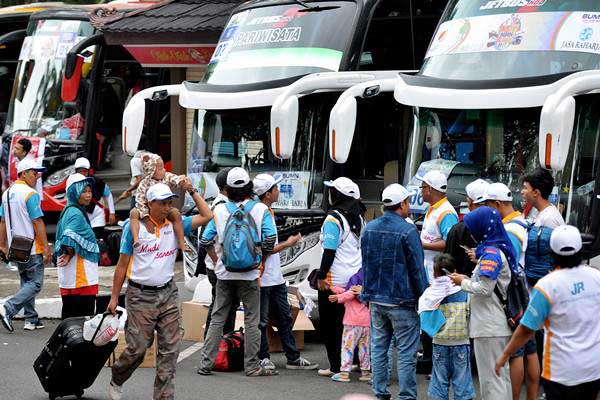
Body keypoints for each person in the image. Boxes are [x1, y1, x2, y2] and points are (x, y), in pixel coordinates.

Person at [107, 183, 212, 400]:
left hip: (168, 294)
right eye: (162, 203)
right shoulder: (132, 228)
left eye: (169, 202)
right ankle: (118, 376)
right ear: (149, 204)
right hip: (140, 296)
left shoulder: (176, 225)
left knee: (170, 349)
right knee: (138, 348)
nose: (167, 207)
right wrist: (114, 298)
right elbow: (121, 265)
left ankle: (164, 396)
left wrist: (192, 191)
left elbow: (207, 215)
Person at [495, 225, 600, 400]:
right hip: (593, 369)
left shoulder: (548, 285)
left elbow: (527, 329)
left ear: (551, 252)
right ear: (581, 250)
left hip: (561, 373)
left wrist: (505, 354)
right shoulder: (596, 277)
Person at [196, 167, 279, 377]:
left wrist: (217, 262)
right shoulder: (260, 209)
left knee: (217, 318)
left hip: (225, 274)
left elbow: (205, 240)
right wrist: (260, 259)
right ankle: (251, 366)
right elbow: (270, 239)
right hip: (250, 275)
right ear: (249, 187)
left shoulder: (221, 210)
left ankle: (206, 364)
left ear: (228, 189)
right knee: (252, 320)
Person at [362, 183, 429, 400]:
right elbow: (417, 269)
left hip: (376, 298)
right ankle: (407, 395)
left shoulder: (369, 228)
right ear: (402, 204)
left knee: (379, 347)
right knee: (406, 352)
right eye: (408, 202)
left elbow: (366, 264)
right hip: (403, 300)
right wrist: (424, 298)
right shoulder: (408, 230)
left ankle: (379, 392)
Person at [253, 173, 318, 371]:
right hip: (262, 277)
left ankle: (292, 357)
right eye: (275, 188)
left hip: (275, 276)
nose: (278, 191)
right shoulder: (260, 212)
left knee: (285, 316)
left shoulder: (267, 211)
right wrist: (289, 243)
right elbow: (266, 247)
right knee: (262, 320)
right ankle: (263, 357)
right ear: (267, 194)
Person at [449, 206, 514, 400]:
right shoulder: (492, 251)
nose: (471, 233)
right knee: (500, 377)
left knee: (491, 380)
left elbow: (484, 289)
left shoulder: (491, 254)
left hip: (489, 326)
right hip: (493, 325)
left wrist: (463, 282)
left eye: (473, 228)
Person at [484, 182, 540, 400]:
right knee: (531, 348)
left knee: (517, 351)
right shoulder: (523, 221)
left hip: (516, 296)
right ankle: (532, 396)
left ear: (497, 205)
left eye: (489, 207)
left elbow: (509, 265)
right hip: (527, 293)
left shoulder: (510, 230)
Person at [315, 177, 365, 377]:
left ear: (336, 196)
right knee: (351, 323)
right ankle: (353, 361)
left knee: (331, 325)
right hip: (354, 279)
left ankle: (336, 365)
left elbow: (329, 251)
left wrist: (320, 276)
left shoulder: (333, 219)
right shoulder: (359, 217)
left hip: (333, 280)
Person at [0, 159, 51, 332]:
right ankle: (8, 307)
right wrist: (46, 247)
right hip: (31, 245)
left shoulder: (6, 194)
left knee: (26, 281)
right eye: (33, 173)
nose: (36, 177)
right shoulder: (30, 194)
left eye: (37, 174)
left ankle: (31, 319)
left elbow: (2, 222)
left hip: (16, 245)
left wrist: (2, 245)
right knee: (35, 284)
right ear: (23, 173)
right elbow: (37, 221)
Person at [419, 254, 475, 400]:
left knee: (439, 379)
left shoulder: (430, 293)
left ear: (433, 273)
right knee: (462, 380)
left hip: (439, 342)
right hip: (461, 342)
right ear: (454, 270)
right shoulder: (464, 292)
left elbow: (422, 311)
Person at [195, 167, 238, 338]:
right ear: (227, 188)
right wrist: (218, 263)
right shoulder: (221, 207)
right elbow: (206, 241)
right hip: (219, 267)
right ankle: (214, 346)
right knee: (220, 309)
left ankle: (226, 344)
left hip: (218, 266)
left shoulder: (221, 204)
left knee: (226, 307)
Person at [55, 173, 99, 319]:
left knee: (69, 319)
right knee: (82, 321)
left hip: (72, 278)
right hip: (81, 278)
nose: (88, 195)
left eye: (89, 191)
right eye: (84, 191)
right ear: (74, 192)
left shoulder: (71, 210)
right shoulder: (76, 213)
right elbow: (68, 234)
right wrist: (69, 252)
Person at [130, 153, 189, 251]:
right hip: (147, 211)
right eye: (161, 169)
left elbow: (174, 178)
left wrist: (181, 181)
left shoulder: (166, 177)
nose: (164, 170)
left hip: (165, 209)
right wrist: (146, 219)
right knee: (133, 213)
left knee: (176, 213)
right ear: (151, 171)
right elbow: (140, 201)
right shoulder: (144, 184)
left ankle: (181, 242)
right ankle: (136, 238)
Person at [520, 167, 565, 286]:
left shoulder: (550, 218)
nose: (522, 192)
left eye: (525, 188)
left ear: (536, 192)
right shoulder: (541, 213)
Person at [328, 269, 371, 383]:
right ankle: (366, 373)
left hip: (352, 323)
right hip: (367, 323)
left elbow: (349, 293)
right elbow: (346, 291)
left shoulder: (354, 290)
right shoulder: (367, 292)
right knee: (365, 349)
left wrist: (337, 298)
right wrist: (332, 287)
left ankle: (344, 373)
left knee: (347, 348)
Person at [418, 170, 459, 282]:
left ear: (430, 189)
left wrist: (423, 245)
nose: (421, 191)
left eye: (423, 187)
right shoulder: (432, 208)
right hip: (428, 269)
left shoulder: (446, 213)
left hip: (437, 274)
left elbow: (449, 243)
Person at [445, 178, 489, 276]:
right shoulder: (498, 226)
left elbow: (447, 264)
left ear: (469, 202)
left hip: (460, 285)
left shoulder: (458, 230)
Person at [68, 157, 117, 232]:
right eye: (80, 172)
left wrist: (112, 213)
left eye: (84, 171)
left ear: (88, 171)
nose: (82, 174)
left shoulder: (98, 182)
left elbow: (108, 195)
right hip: (80, 214)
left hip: (96, 215)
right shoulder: (71, 183)